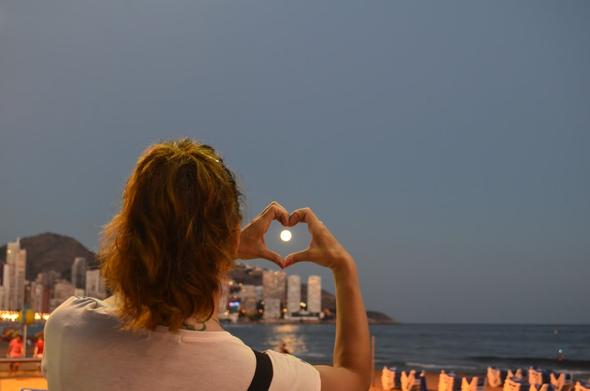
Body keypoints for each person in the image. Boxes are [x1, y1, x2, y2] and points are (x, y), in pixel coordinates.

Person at [43, 139, 370, 391]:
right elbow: (353, 378)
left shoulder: (67, 328)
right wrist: (344, 269)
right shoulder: (253, 376)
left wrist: (218, 247)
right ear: (229, 240)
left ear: (127, 229)